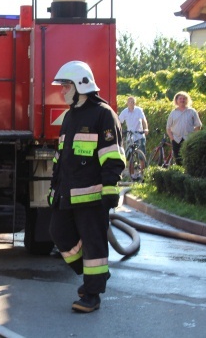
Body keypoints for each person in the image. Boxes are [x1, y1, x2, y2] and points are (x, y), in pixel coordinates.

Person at [48, 61, 125, 313]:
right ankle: (96, 274)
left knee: (93, 244)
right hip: (68, 193)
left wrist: (110, 190)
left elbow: (112, 156)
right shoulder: (70, 116)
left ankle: (92, 293)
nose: (62, 91)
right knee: (58, 232)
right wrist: (54, 189)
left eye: (66, 85)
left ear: (81, 85)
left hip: (92, 195)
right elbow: (60, 157)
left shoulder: (104, 114)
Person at [166, 91, 202, 166]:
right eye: (180, 99)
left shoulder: (192, 112)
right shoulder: (173, 113)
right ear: (176, 101)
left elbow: (198, 126)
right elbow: (168, 127)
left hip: (188, 139)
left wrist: (193, 137)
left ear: (187, 100)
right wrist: (172, 138)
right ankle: (180, 174)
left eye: (184, 98)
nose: (182, 100)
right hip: (176, 139)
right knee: (178, 159)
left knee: (189, 158)